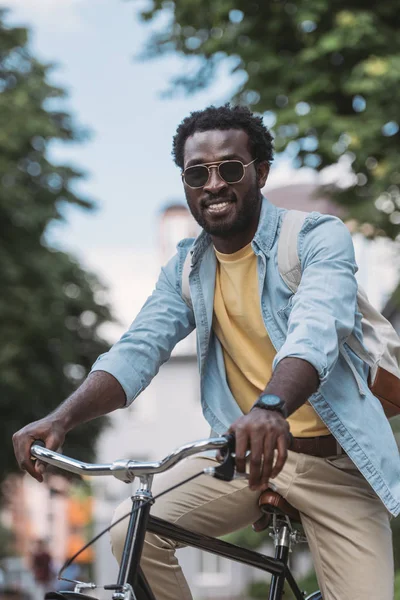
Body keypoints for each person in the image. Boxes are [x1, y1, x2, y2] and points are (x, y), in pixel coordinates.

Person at [13, 104, 400, 600]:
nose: (213, 184)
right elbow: (138, 349)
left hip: (339, 463)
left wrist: (269, 408)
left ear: (260, 172)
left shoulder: (313, 238)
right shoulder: (186, 269)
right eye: (197, 173)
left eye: (230, 169)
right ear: (186, 184)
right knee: (131, 524)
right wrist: (62, 418)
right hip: (246, 458)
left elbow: (316, 331)